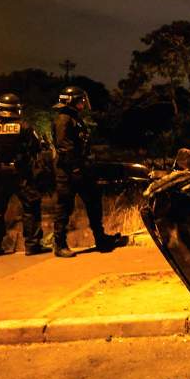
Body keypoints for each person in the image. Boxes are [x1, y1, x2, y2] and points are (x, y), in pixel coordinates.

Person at [51, 86, 125, 257]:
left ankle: (100, 238)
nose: (83, 103)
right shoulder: (63, 119)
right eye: (80, 100)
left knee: (93, 202)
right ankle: (59, 244)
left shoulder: (74, 118)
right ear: (72, 101)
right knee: (64, 207)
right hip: (68, 172)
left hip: (81, 169)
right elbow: (64, 147)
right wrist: (75, 168)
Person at [0, 93, 50, 257]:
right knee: (30, 208)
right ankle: (32, 245)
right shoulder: (25, 128)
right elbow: (36, 147)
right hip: (22, 175)